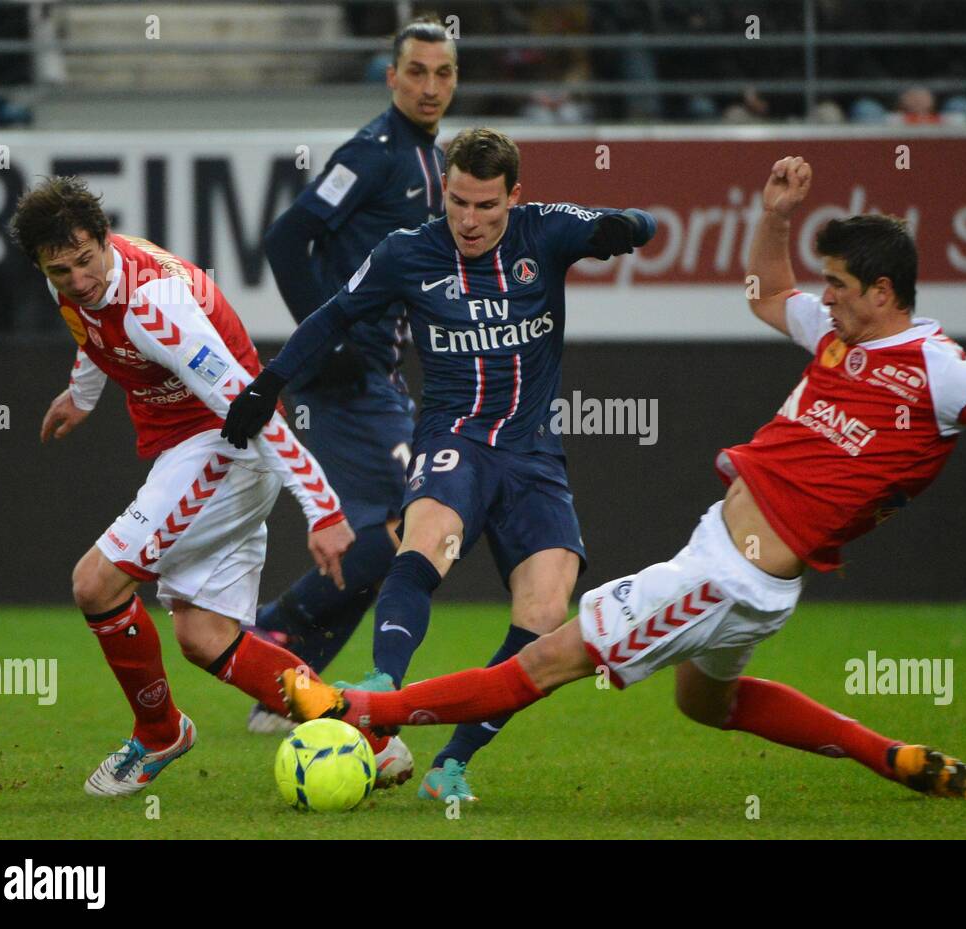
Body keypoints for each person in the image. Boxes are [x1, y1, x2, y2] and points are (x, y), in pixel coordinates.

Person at [278, 156, 966, 800]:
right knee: (710, 703)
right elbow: (767, 291)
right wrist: (773, 215)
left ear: (884, 293)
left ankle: (359, 709)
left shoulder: (942, 370)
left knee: (540, 662)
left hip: (721, 576)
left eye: (841, 287)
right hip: (749, 581)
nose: (823, 299)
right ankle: (886, 754)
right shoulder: (836, 334)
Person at [222, 127, 656, 802]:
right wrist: (269, 382)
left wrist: (627, 226)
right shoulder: (406, 252)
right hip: (456, 438)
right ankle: (380, 687)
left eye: (487, 205)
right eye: (457, 201)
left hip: (535, 453)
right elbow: (334, 315)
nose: (471, 220)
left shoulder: (545, 232)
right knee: (425, 540)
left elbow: (636, 224)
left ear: (515, 196)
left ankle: (452, 762)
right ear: (444, 190)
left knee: (545, 611)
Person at [14, 175, 399, 796]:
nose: (77, 280)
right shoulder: (80, 280)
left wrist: (323, 510)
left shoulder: (155, 309)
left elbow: (251, 405)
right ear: (42, 263)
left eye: (86, 261)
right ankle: (370, 737)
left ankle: (159, 732)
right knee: (204, 637)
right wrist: (82, 396)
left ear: (104, 241)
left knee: (95, 582)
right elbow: (90, 328)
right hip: (188, 448)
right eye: (60, 270)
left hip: (225, 444)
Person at [248, 17, 458, 761]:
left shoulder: (429, 159)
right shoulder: (372, 154)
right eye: (417, 72)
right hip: (347, 372)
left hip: (377, 371)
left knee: (393, 536)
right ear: (392, 77)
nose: (430, 86)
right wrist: (325, 332)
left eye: (443, 73)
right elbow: (284, 238)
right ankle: (272, 633)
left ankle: (290, 670)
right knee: (408, 529)